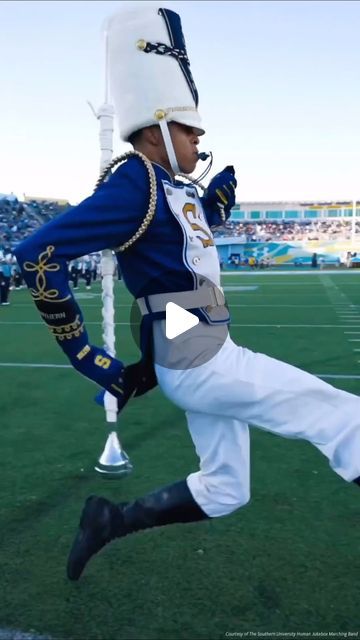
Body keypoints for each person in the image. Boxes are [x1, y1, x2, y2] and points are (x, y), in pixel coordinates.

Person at [15, 5, 360, 582]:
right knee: (346, 419)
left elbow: (174, 277)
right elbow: (37, 255)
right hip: (203, 362)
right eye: (188, 126)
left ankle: (110, 521)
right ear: (154, 130)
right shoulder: (136, 182)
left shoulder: (169, 186)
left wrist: (211, 211)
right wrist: (86, 356)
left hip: (194, 351)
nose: (200, 135)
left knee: (227, 488)